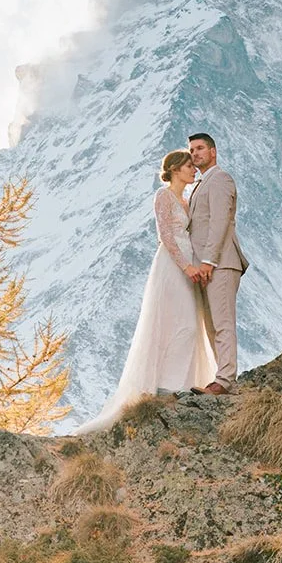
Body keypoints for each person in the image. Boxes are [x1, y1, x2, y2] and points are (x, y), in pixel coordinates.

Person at [73, 149, 217, 433]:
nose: (193, 170)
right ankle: (166, 387)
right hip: (172, 267)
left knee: (189, 325)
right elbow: (166, 236)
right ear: (175, 169)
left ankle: (179, 384)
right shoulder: (163, 197)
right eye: (189, 166)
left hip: (188, 266)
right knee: (176, 323)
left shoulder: (185, 200)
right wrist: (186, 267)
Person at [186, 131, 249, 395]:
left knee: (222, 322)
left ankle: (225, 380)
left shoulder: (220, 179)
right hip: (205, 265)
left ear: (213, 151)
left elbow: (220, 222)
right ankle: (222, 378)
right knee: (211, 325)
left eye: (200, 148)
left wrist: (209, 261)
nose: (195, 154)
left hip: (221, 263)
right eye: (191, 150)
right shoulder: (200, 184)